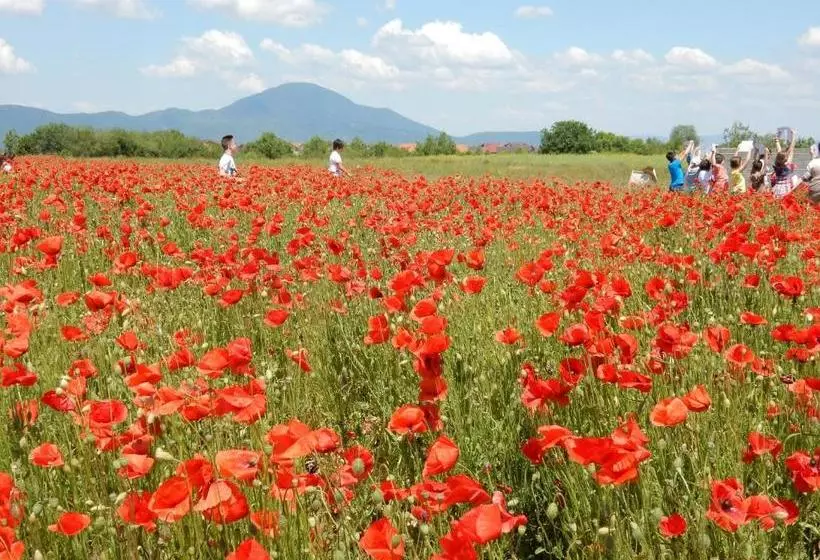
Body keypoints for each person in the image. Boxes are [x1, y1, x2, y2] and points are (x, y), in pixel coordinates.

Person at [771, 130, 797, 198]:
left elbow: (779, 152)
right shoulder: (787, 166)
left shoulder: (777, 165)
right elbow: (791, 150)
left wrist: (777, 141)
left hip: (777, 189)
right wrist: (794, 136)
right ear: (785, 159)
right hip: (785, 189)